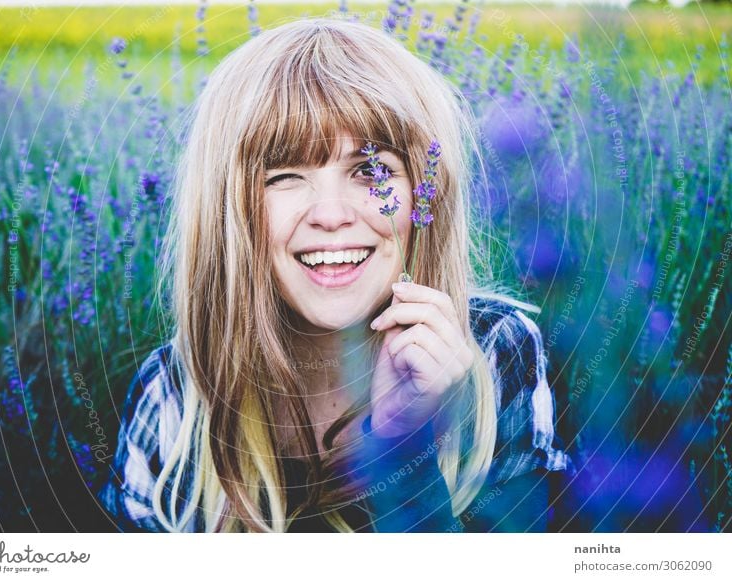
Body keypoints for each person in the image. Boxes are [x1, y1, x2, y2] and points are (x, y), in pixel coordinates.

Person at [98, 16, 574, 533]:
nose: (330, 214)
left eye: (371, 172)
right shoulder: (174, 401)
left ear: (424, 195)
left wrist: (402, 452)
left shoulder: (492, 353)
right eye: (283, 176)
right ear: (227, 210)